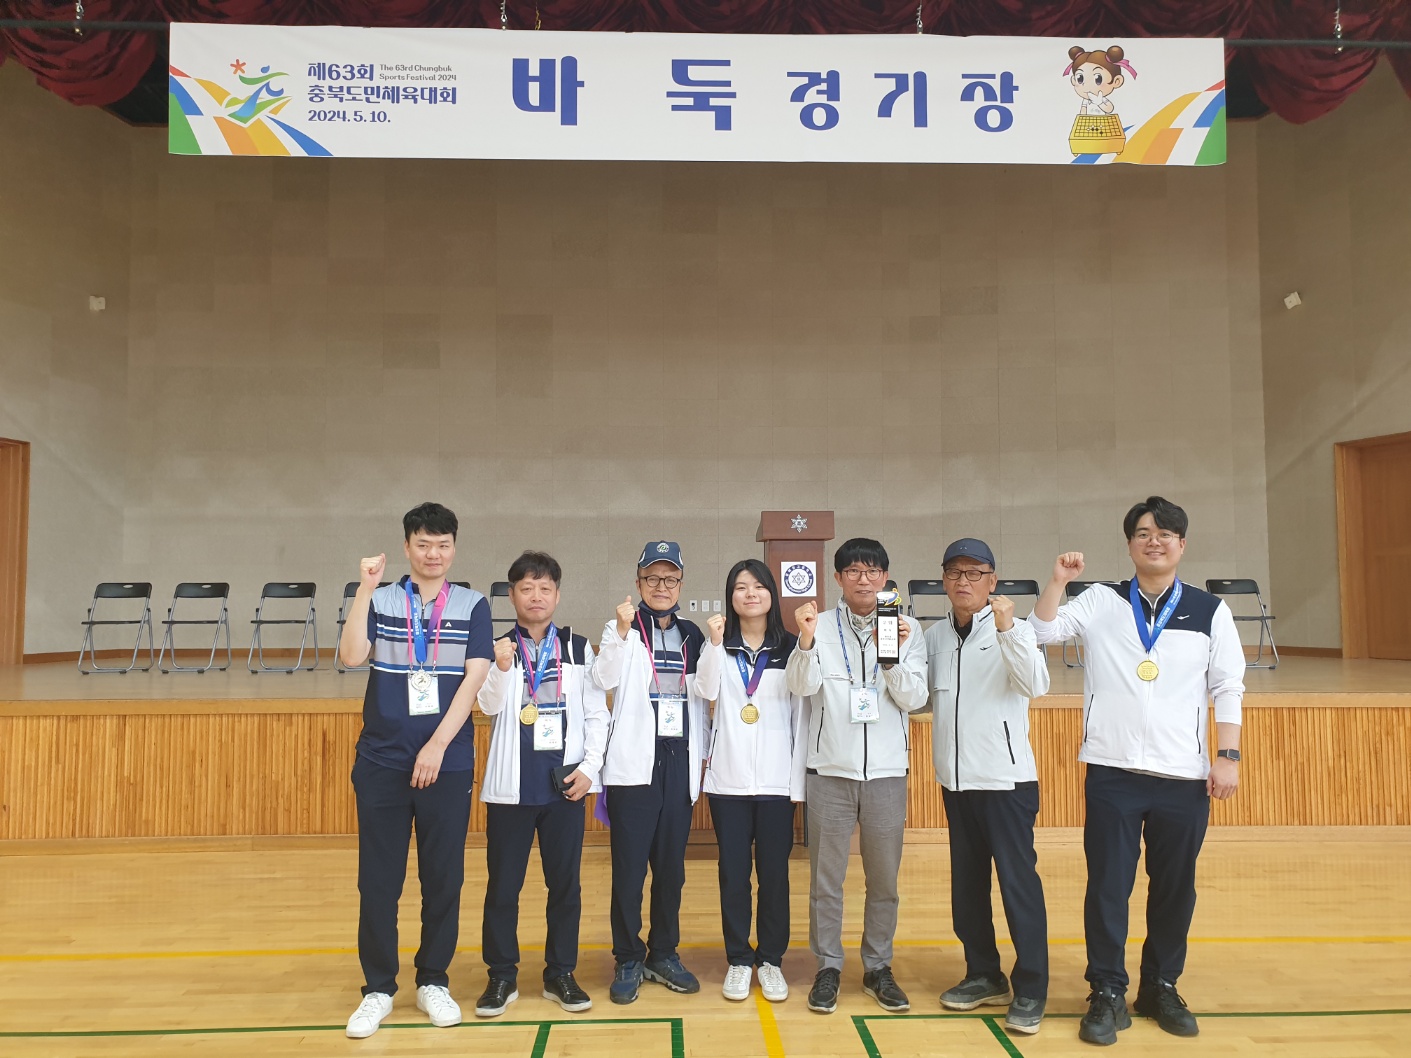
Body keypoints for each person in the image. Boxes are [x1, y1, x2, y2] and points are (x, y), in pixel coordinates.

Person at [1029, 496, 1245, 1047]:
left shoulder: (1209, 610)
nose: (1155, 540)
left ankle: (1161, 986)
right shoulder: (1101, 600)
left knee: (1174, 888)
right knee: (1108, 886)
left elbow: (1228, 685)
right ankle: (1106, 989)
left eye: (1166, 533)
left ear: (1182, 545)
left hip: (1183, 775)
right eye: (1144, 532)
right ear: (1129, 544)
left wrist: (1228, 756)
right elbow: (1044, 633)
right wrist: (1057, 582)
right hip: (1113, 771)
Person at [338, 502, 494, 1040]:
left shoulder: (472, 605)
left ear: (454, 549)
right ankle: (378, 988)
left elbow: (474, 678)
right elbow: (352, 655)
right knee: (378, 881)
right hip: (381, 762)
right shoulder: (381, 600)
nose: (433, 554)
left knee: (443, 877)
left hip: (445, 763)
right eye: (423, 544)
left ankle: (433, 981)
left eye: (443, 545)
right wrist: (363, 589)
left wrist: (436, 747)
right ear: (407, 547)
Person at [785, 537, 929, 1015]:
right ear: (838, 578)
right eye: (853, 571)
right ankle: (828, 966)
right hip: (829, 771)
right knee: (826, 880)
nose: (863, 580)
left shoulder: (906, 628)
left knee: (883, 880)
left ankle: (877, 967)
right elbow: (801, 686)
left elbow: (914, 699)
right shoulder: (819, 625)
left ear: (885, 577)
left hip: (886, 772)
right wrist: (805, 641)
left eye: (872, 571)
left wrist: (892, 657)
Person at [474, 551, 609, 1018]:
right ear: (511, 594)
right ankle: (501, 975)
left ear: (557, 595)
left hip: (564, 785)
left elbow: (597, 714)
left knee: (565, 886)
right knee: (503, 887)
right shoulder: (498, 648)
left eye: (545, 588)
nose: (536, 596)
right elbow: (487, 706)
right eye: (526, 588)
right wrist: (502, 668)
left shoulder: (578, 648)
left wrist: (590, 768)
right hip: (511, 789)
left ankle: (560, 973)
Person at [925, 538, 1050, 1036]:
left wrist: (1007, 631)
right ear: (943, 580)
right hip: (956, 782)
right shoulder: (933, 636)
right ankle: (983, 973)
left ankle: (1032, 986)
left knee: (1018, 887)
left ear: (993, 581)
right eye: (955, 572)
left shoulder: (1014, 629)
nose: (964, 581)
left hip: (1006, 781)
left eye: (974, 573)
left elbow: (1035, 685)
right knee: (968, 887)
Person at [591, 541, 710, 1004]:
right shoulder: (621, 627)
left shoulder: (693, 634)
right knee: (628, 869)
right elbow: (603, 679)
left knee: (671, 869)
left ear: (681, 583)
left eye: (670, 578)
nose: (662, 586)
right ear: (638, 582)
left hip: (679, 758)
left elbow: (705, 691)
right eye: (653, 578)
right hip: (634, 764)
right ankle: (627, 956)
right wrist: (621, 633)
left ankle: (663, 953)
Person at [696, 559, 808, 1003]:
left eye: (758, 586)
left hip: (777, 784)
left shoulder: (790, 647)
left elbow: (800, 712)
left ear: (771, 594)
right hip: (728, 782)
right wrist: (713, 644)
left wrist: (796, 783)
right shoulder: (719, 647)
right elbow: (705, 690)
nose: (750, 594)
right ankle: (740, 959)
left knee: (775, 875)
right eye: (741, 587)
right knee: (734, 874)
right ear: (731, 597)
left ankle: (772, 960)